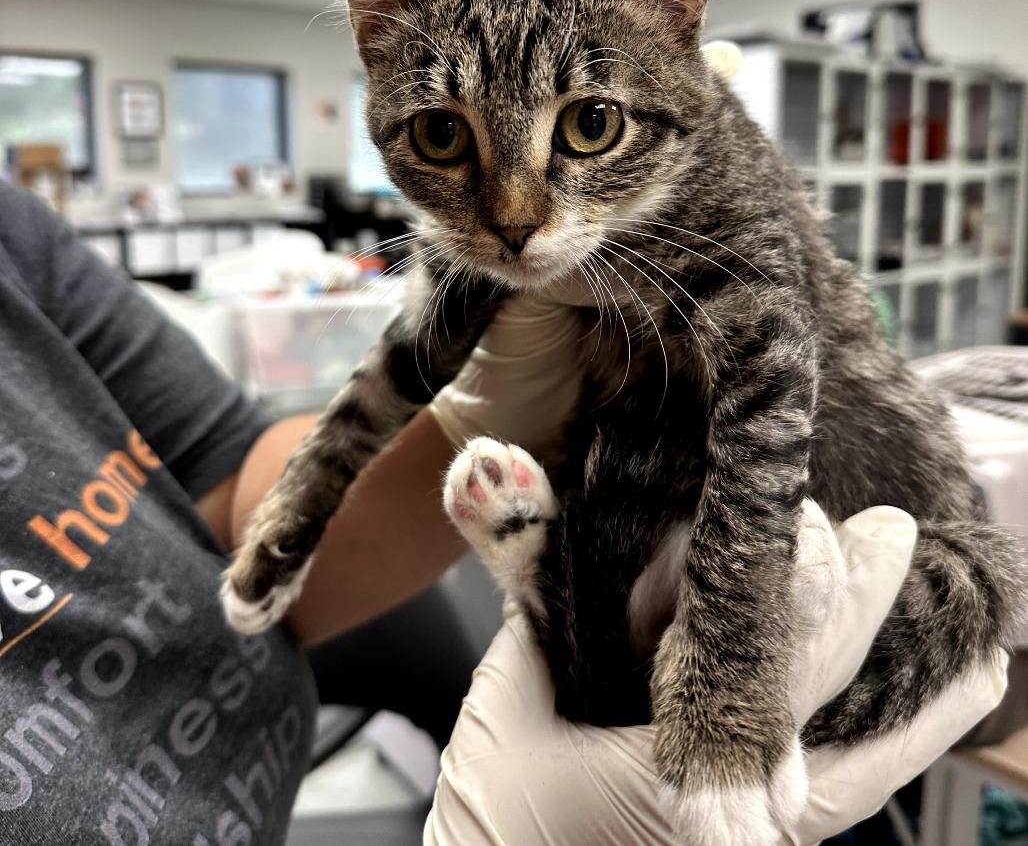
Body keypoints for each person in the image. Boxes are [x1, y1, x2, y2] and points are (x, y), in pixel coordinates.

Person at [0, 182, 1007, 846]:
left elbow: (225, 477)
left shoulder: (16, 234)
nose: (513, 211)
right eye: (446, 145)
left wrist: (467, 412)